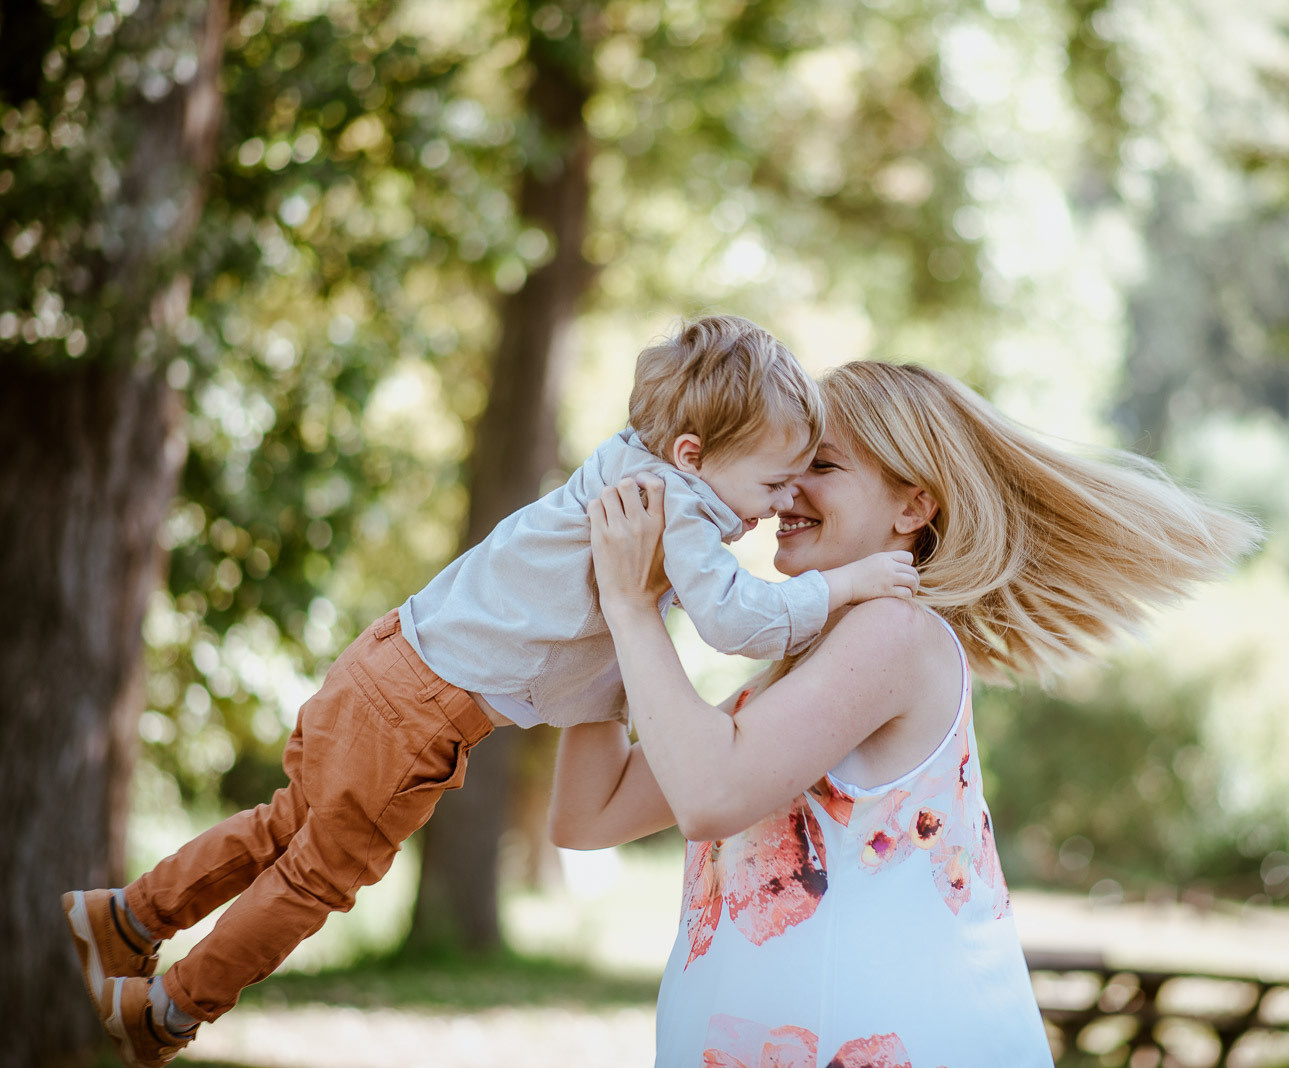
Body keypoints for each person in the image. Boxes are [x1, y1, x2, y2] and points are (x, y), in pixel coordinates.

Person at [61, 316, 920, 1068]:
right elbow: (740, 622)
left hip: (387, 659)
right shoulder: (679, 508)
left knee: (285, 824)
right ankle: (169, 1010)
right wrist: (848, 585)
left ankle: (126, 918)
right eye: (772, 483)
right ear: (693, 456)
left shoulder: (629, 461)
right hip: (422, 712)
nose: (779, 504)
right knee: (319, 878)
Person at [550, 359, 1262, 1066]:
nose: (785, 487)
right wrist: (611, 605)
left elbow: (711, 797)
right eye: (786, 463)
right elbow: (589, 814)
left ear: (912, 507)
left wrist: (632, 606)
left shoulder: (895, 633)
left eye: (821, 465)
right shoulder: (780, 681)